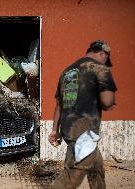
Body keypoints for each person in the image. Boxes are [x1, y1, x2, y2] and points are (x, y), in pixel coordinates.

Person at [48, 40, 117, 189]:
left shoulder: (67, 72)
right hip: (85, 133)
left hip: (69, 130)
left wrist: (55, 130)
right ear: (102, 53)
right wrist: (109, 99)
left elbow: (59, 105)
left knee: (96, 169)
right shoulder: (100, 69)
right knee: (69, 179)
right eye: (106, 59)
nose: (106, 62)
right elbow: (107, 102)